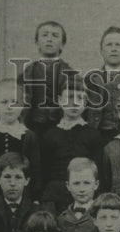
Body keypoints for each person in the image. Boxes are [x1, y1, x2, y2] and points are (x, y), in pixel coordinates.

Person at [41, 73, 105, 214]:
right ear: (60, 100)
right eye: (69, 97)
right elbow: (44, 173)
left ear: (86, 103)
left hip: (85, 196)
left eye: (80, 98)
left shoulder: (93, 135)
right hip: (55, 198)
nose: (74, 103)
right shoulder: (50, 135)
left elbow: (99, 172)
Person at [18, 20, 74, 142]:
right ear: (37, 42)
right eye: (44, 35)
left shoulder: (70, 74)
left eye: (55, 36)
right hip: (33, 129)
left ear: (62, 44)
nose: (49, 39)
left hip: (60, 128)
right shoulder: (27, 73)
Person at [56, 157, 100, 232]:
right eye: (76, 183)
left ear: (96, 184)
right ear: (68, 186)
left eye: (86, 183)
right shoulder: (61, 219)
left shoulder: (102, 217)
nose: (81, 189)